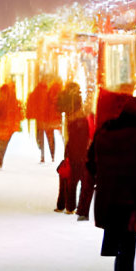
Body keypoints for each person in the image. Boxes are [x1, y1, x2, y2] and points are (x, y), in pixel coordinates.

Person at [87, 90, 136, 271]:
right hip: (132, 201)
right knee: (127, 250)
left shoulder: (104, 133)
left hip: (110, 200)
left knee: (119, 252)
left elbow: (90, 165)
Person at [55, 86, 91, 214]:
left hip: (74, 153)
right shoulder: (83, 120)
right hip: (82, 153)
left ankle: (69, 206)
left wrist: (68, 152)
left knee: (72, 180)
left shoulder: (72, 121)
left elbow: (70, 139)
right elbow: (86, 137)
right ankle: (77, 206)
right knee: (81, 180)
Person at [0, 81, 24, 168]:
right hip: (2, 127)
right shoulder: (1, 102)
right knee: (0, 144)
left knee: (2, 145)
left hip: (5, 127)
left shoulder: (8, 102)